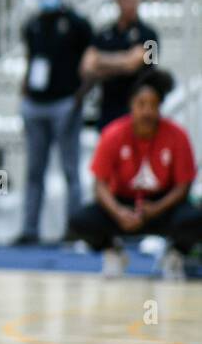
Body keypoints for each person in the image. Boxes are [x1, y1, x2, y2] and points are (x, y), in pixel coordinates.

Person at [68, 69, 201, 280]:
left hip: (161, 205)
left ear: (160, 108)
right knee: (79, 221)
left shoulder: (177, 135)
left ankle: (175, 254)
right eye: (141, 104)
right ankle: (113, 252)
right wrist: (118, 211)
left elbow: (184, 185)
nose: (147, 111)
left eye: (153, 105)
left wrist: (156, 208)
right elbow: (99, 184)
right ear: (131, 106)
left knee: (194, 218)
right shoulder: (112, 134)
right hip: (123, 204)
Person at [17, 0, 92, 245]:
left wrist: (80, 95)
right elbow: (30, 60)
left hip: (64, 103)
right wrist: (24, 93)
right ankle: (29, 229)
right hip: (36, 104)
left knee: (70, 169)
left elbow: (90, 62)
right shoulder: (33, 25)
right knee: (34, 170)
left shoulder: (76, 24)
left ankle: (75, 227)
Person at [80, 0, 160, 129]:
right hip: (109, 108)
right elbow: (87, 66)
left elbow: (136, 64)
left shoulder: (150, 35)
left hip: (139, 110)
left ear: (137, 1)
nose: (126, 4)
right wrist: (124, 61)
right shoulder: (104, 32)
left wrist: (102, 62)